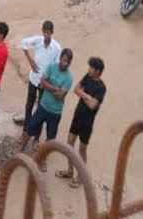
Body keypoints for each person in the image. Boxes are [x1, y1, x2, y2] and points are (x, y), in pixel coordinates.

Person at [57, 57, 106, 188]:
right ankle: (69, 170)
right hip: (77, 116)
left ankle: (80, 176)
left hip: (87, 122)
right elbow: (76, 89)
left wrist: (83, 94)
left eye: (91, 68)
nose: (88, 69)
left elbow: (93, 106)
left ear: (98, 71)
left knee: (82, 150)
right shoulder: (87, 77)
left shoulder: (101, 88)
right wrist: (88, 96)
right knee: (69, 144)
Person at [19, 49, 74, 159]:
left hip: (55, 112)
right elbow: (42, 82)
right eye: (64, 60)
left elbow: (61, 96)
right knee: (30, 128)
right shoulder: (51, 66)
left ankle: (42, 160)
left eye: (68, 62)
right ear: (60, 58)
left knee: (50, 139)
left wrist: (48, 86)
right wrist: (54, 88)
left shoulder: (69, 77)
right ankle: (20, 151)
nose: (65, 64)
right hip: (43, 106)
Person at [16, 20, 63, 126]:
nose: (46, 35)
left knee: (41, 108)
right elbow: (23, 43)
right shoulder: (38, 40)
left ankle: (36, 130)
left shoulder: (57, 48)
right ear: (42, 32)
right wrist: (30, 60)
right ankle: (26, 128)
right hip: (33, 78)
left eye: (48, 32)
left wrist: (47, 81)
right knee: (29, 104)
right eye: (45, 32)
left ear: (52, 32)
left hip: (45, 83)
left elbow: (56, 67)